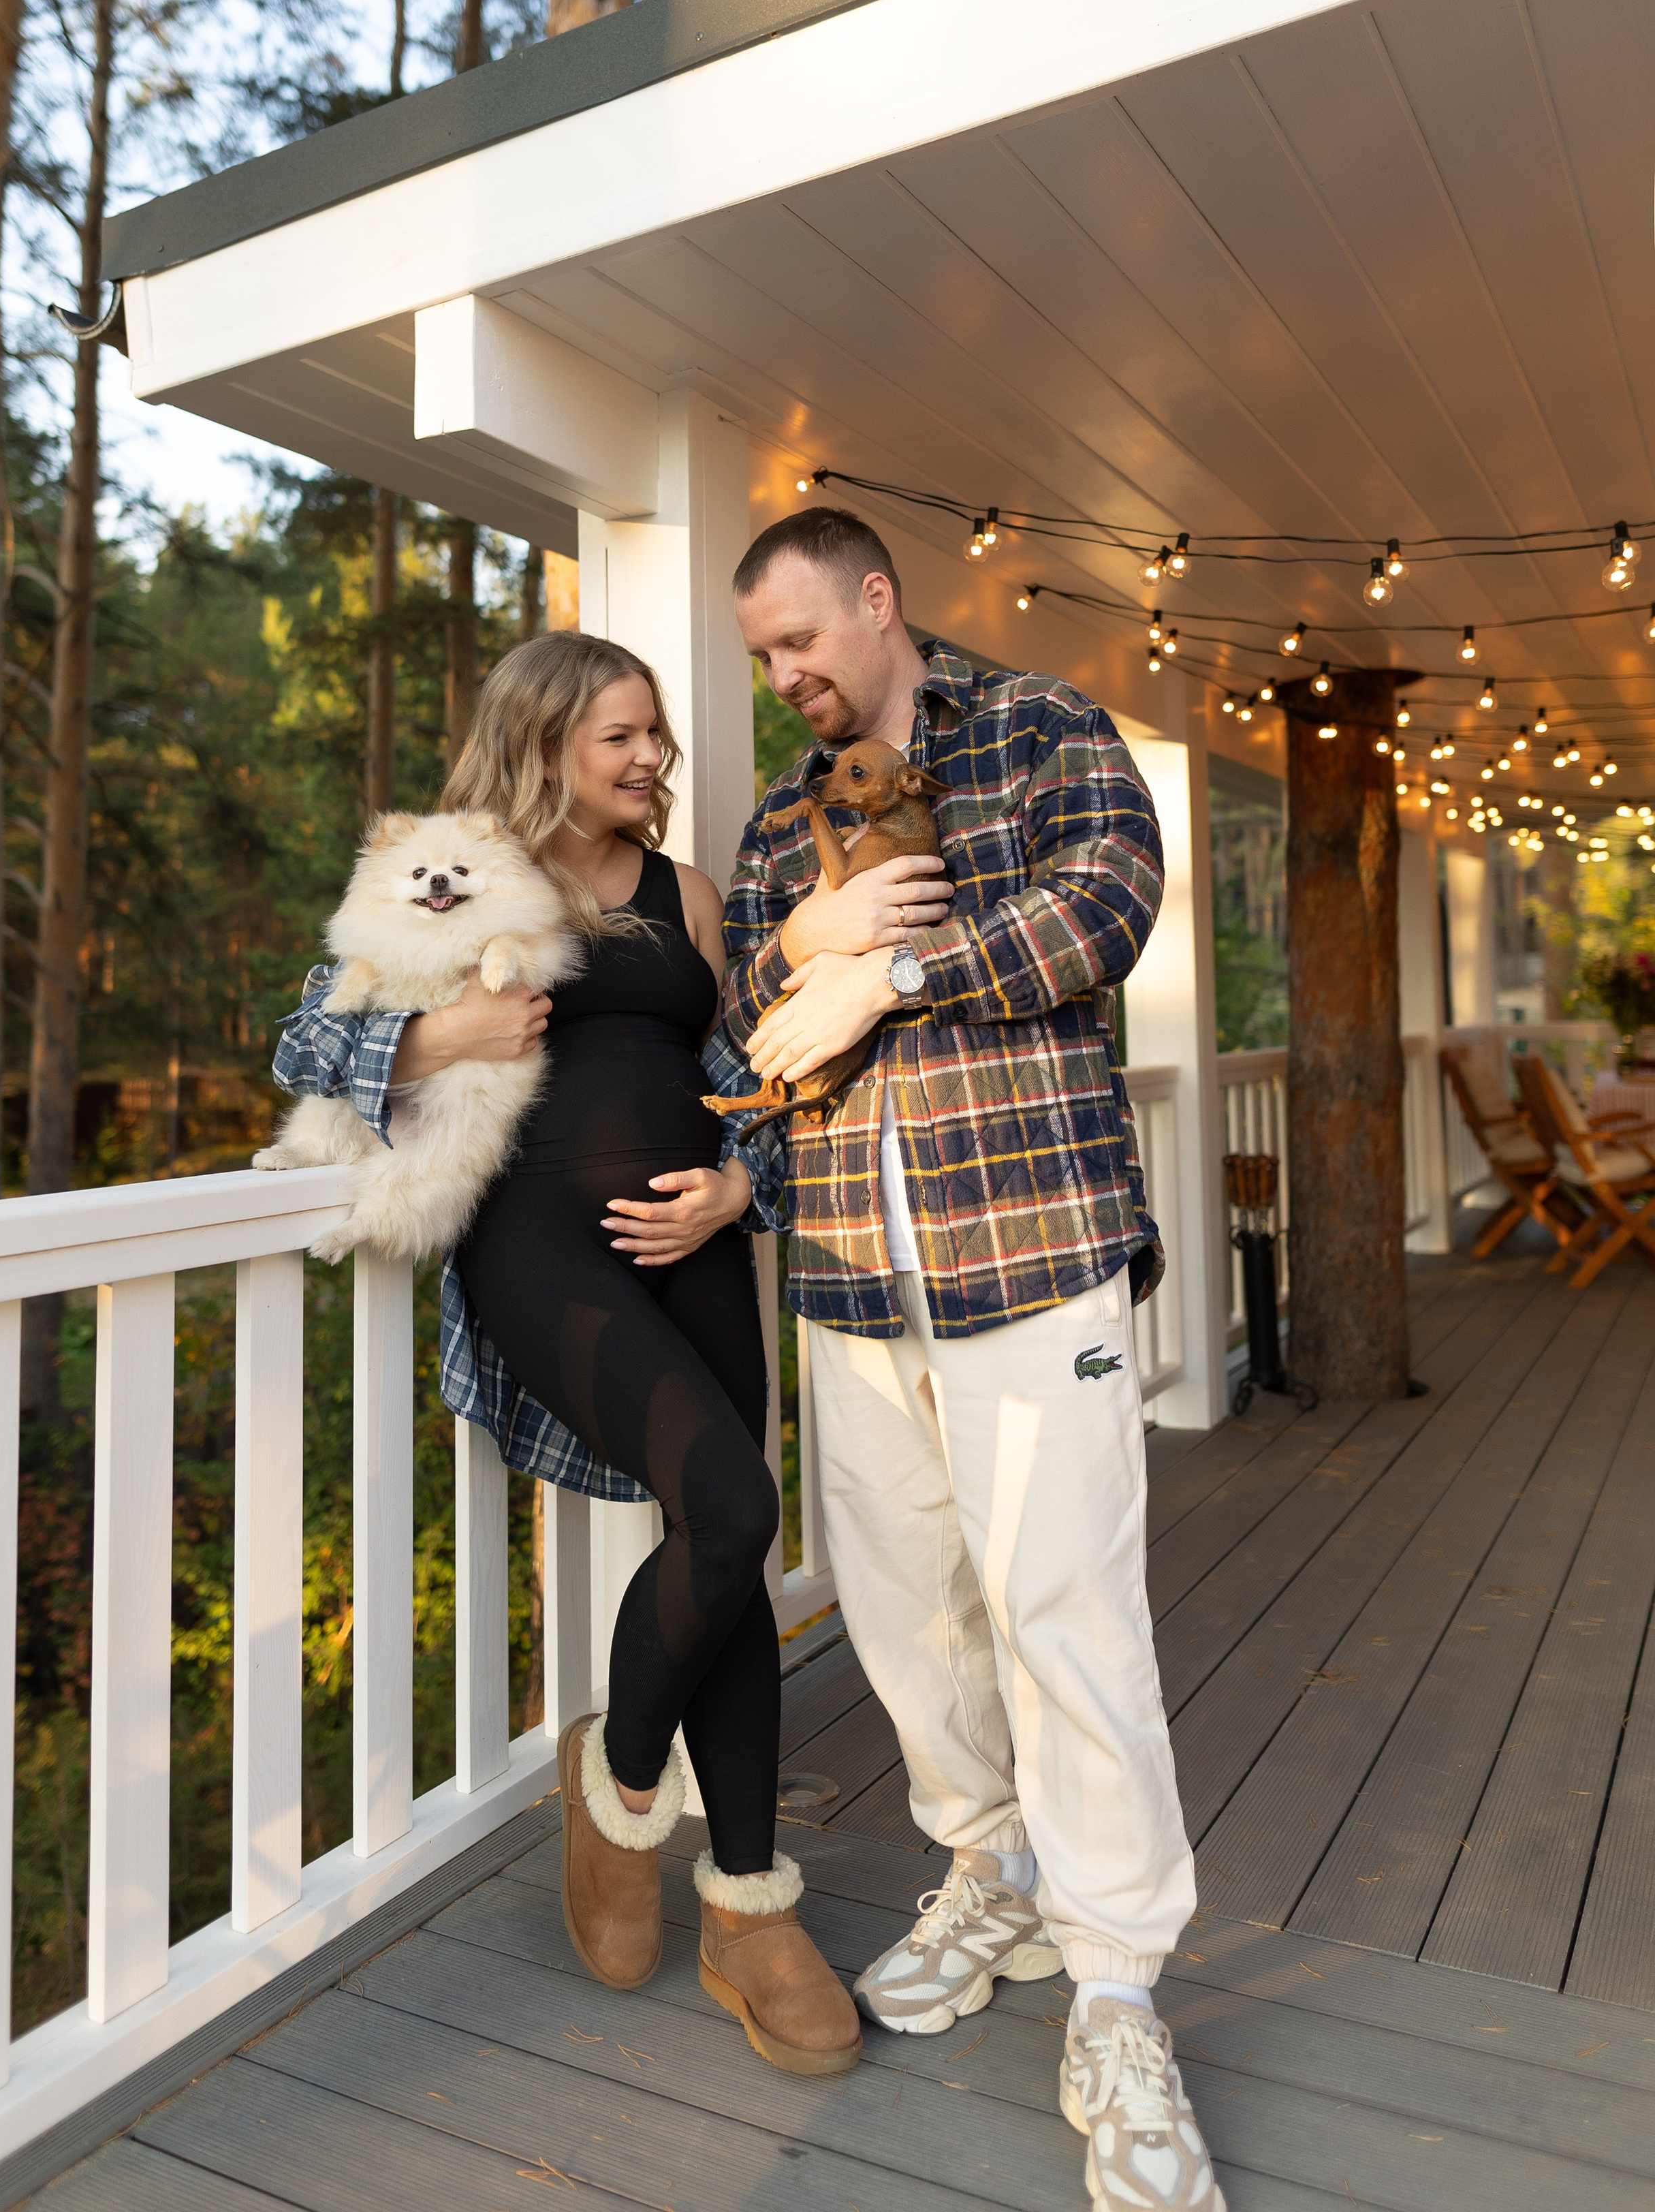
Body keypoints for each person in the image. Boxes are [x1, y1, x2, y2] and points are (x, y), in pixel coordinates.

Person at [718, 508, 1225, 2211]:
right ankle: (985, 1873)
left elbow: (1104, 911)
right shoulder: (781, 820)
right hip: (853, 1286)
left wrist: (896, 980)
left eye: (800, 642)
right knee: (910, 1617)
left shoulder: (1040, 731)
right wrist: (795, 956)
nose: (784, 680)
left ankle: (1116, 1988)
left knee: (1064, 1615)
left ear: (877, 603)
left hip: (1027, 1257)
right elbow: (744, 1017)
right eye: (760, 661)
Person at [272, 631, 859, 2080]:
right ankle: (621, 1789)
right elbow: (300, 1041)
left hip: (699, 1237)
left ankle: (744, 1905)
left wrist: (742, 1189)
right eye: (621, 737)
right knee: (732, 1511)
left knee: (724, 1543)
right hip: (538, 1247)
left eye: (654, 734)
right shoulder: (461, 872)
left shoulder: (690, 898)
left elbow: (760, 1081)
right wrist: (440, 1035)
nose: (652, 758)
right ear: (544, 743)